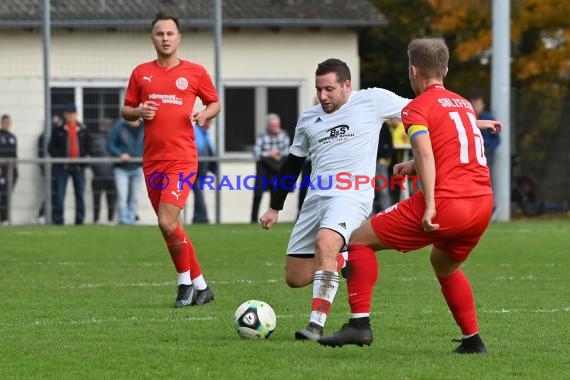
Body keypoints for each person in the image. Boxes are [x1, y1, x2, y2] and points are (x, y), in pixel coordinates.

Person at [318, 37, 501, 354]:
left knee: (360, 239)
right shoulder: (463, 104)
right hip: (482, 204)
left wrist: (429, 203)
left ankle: (359, 324)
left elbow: (428, 155)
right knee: (444, 265)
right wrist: (411, 166)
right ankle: (473, 340)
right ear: (444, 69)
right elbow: (448, 154)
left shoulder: (417, 108)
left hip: (447, 203)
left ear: (413, 71)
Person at [259, 58, 410, 341]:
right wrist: (275, 207)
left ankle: (315, 325)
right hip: (315, 199)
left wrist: (470, 122)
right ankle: (343, 257)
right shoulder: (308, 118)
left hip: (351, 195)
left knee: (325, 242)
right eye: (319, 89)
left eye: (329, 89)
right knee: (295, 277)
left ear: (347, 85)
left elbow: (422, 110)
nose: (323, 96)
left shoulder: (372, 100)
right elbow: (292, 164)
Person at [121, 12, 221, 308]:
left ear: (179, 38)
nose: (165, 38)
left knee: (166, 221)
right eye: (159, 33)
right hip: (152, 161)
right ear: (152, 38)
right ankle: (202, 286)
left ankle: (184, 284)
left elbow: (214, 102)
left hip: (182, 160)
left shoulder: (195, 72)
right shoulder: (141, 73)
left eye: (170, 33)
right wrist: (139, 111)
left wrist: (204, 114)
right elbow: (126, 110)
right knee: (170, 225)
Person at [48, 104, 89, 225]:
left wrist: (81, 158)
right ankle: (58, 220)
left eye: (73, 113)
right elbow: (51, 148)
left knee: (80, 195)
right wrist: (63, 157)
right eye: (68, 113)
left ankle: (79, 220)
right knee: (59, 195)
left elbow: (89, 147)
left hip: (79, 167)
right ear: (65, 114)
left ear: (76, 114)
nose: (70, 116)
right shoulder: (58, 129)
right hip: (62, 167)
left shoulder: (83, 129)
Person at [251, 113, 290, 223]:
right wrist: (269, 154)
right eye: (273, 126)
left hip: (277, 168)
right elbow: (256, 152)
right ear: (268, 126)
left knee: (275, 194)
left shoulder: (283, 134)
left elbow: (288, 150)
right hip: (264, 168)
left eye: (277, 125)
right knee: (258, 194)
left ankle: (271, 219)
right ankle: (253, 219)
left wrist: (277, 153)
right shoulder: (262, 135)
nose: (275, 128)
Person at [106, 118, 144, 225]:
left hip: (137, 167)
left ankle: (132, 219)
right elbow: (110, 144)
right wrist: (120, 154)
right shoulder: (118, 127)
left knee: (135, 196)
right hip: (121, 168)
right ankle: (124, 219)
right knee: (122, 196)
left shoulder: (145, 127)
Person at [89, 118, 116, 224]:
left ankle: (109, 219)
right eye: (104, 125)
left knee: (110, 198)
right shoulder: (96, 138)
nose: (105, 127)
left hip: (110, 173)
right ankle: (97, 219)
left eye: (107, 125)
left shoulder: (114, 139)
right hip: (99, 173)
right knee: (97, 198)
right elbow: (91, 153)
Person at [192, 118, 217, 224]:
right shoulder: (194, 132)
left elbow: (211, 151)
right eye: (209, 122)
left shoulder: (206, 134)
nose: (210, 125)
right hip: (194, 170)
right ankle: (203, 218)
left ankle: (197, 218)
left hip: (203, 170)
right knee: (199, 193)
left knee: (199, 193)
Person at [470, 95, 500, 169]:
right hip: (472, 153)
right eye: (473, 105)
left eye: (477, 105)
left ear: (483, 105)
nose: (475, 107)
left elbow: (496, 139)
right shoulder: (469, 116)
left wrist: (488, 149)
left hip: (486, 154)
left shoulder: (488, 118)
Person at [0, 114, 18, 225]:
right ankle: (3, 218)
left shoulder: (13, 137)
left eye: (9, 122)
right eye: (5, 122)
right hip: (1, 168)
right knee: (2, 193)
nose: (7, 124)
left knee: (7, 194)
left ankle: (5, 219)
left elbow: (14, 154)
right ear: (1, 123)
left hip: (10, 170)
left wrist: (16, 169)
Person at [373, 120, 394, 212]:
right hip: (363, 163)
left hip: (378, 162)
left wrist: (384, 157)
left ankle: (387, 214)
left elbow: (389, 143)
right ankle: (367, 219)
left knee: (383, 190)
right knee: (365, 191)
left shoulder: (382, 123)